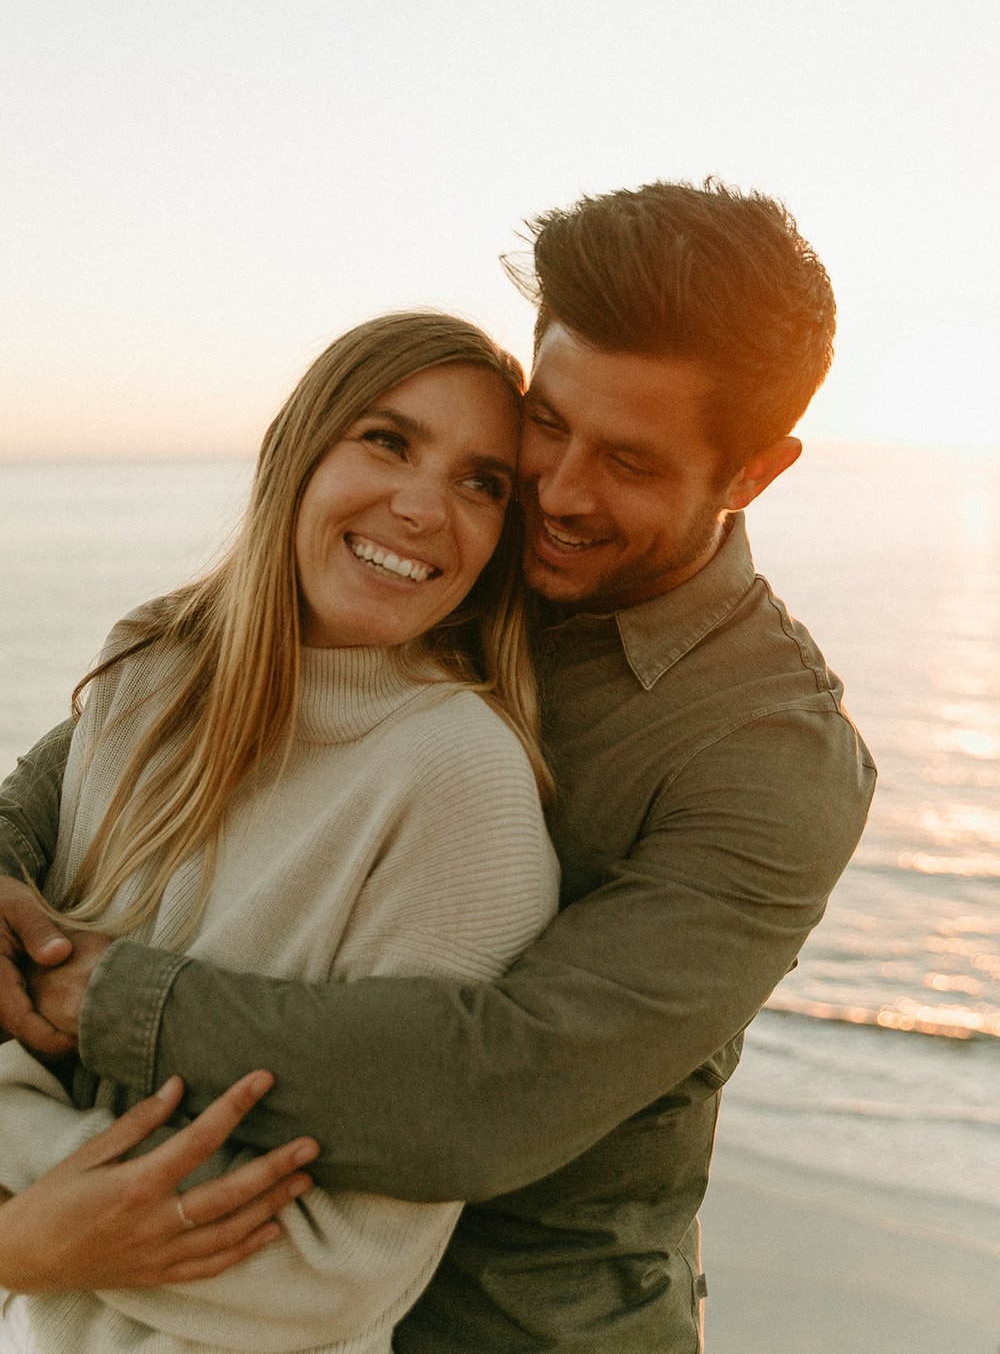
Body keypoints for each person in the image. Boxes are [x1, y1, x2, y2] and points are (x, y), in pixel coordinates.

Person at [0, 179, 876, 1352]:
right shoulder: (442, 540)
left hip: (505, 1328)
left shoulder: (771, 758)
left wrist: (100, 996)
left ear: (756, 473)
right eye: (548, 423)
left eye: (627, 460)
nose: (557, 495)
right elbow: (89, 776)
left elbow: (491, 1091)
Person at [0, 312, 559, 1352]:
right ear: (297, 449)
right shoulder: (149, 682)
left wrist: (43, 1225)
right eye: (387, 441)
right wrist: (29, 1242)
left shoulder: (459, 780)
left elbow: (337, 1267)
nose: (423, 507)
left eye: (482, 483)